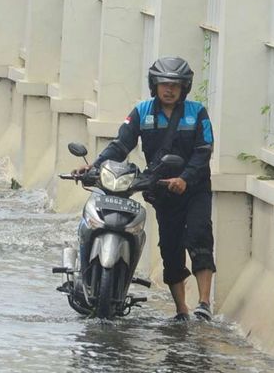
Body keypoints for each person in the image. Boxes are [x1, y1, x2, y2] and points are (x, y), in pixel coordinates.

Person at [75, 57, 216, 322]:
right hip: (162, 190)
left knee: (199, 238)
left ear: (184, 87)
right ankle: (181, 311)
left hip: (194, 189)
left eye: (175, 85)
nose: (169, 90)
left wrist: (185, 178)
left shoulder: (197, 113)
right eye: (164, 84)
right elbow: (120, 145)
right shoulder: (142, 112)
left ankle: (204, 304)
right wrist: (93, 167)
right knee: (170, 248)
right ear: (155, 85)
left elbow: (203, 151)